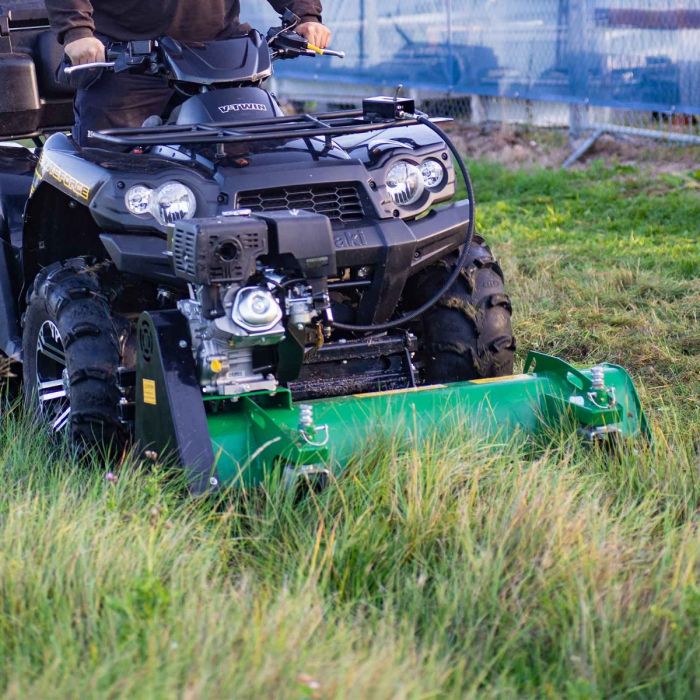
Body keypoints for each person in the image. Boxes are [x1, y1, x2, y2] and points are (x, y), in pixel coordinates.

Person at [45, 0, 331, 144]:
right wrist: (77, 31)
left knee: (260, 159)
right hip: (128, 60)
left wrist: (304, 15)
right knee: (106, 167)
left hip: (223, 58)